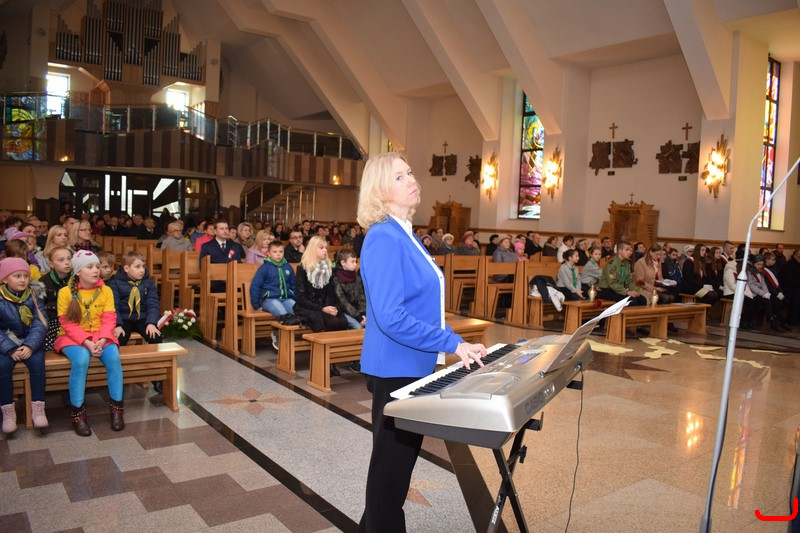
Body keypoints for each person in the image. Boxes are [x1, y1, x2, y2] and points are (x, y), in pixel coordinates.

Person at [355, 152, 486, 532]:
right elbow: (391, 317)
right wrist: (452, 344)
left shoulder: (404, 233)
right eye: (399, 177)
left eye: (410, 172)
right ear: (380, 189)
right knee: (389, 478)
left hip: (411, 365)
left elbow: (419, 304)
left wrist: (452, 343)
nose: (411, 180)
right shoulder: (383, 238)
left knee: (392, 473)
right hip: (395, 369)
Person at [54, 250, 124, 436]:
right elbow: (67, 324)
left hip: (101, 335)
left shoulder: (106, 290)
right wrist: (87, 342)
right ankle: (78, 413)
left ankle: (117, 410)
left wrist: (102, 339)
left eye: (97, 266)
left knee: (114, 359)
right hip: (72, 337)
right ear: (78, 272)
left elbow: (109, 318)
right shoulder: (65, 292)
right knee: (81, 360)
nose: (96, 270)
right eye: (90, 267)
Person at [0, 258, 49, 433]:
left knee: (37, 364)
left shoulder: (34, 295)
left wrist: (29, 345)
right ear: (5, 279)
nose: (22, 280)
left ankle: (38, 408)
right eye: (17, 276)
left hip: (30, 341)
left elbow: (40, 323)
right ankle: (7, 411)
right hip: (7, 343)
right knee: (2, 366)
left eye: (25, 276)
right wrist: (10, 348)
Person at [294, 236, 348, 334]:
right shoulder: (302, 268)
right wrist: (322, 309)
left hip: (325, 305)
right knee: (333, 323)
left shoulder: (328, 268)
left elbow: (331, 293)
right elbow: (301, 298)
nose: (325, 250)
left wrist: (330, 307)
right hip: (308, 307)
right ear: (313, 249)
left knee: (343, 322)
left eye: (326, 248)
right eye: (321, 248)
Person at [249, 240, 296, 351]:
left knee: (297, 310)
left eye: (281, 251)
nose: (278, 254)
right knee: (283, 314)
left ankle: (280, 334)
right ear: (269, 254)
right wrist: (256, 305)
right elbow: (255, 286)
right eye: (275, 252)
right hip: (270, 300)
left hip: (286, 298)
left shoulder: (287, 267)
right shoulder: (264, 268)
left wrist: (295, 299)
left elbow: (294, 285)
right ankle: (279, 336)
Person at [41, 246, 72, 351]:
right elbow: (39, 308)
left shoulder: (78, 279)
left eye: (69, 258)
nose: (67, 262)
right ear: (51, 264)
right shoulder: (43, 282)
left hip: (75, 320)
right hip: (54, 320)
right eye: (61, 260)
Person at [598, 240, 646, 305]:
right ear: (620, 251)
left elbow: (629, 280)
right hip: (608, 290)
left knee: (642, 299)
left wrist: (634, 291)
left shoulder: (626, 263)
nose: (630, 252)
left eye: (631, 250)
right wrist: (627, 292)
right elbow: (612, 284)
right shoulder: (612, 264)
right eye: (627, 250)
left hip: (620, 289)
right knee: (631, 301)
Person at [332, 248, 366, 330]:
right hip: (342, 311)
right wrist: (358, 317)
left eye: (356, 261)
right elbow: (343, 302)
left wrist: (363, 314)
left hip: (357, 312)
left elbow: (361, 297)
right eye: (352, 262)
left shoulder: (356, 277)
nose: (355, 264)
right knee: (358, 327)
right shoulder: (336, 278)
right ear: (343, 263)